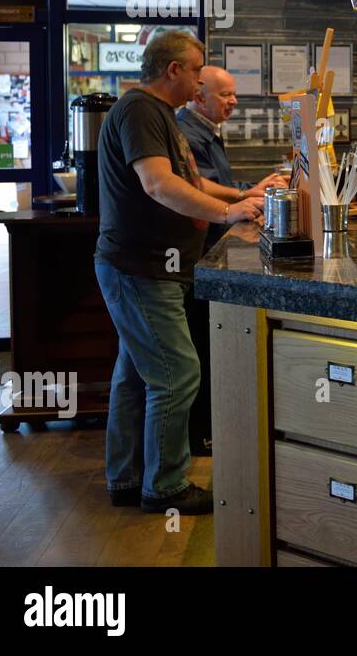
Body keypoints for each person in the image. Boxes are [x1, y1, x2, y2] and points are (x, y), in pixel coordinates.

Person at [94, 31, 265, 515]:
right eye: (195, 70)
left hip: (146, 266)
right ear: (173, 70)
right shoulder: (141, 110)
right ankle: (165, 487)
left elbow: (189, 179)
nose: (198, 80)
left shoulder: (157, 114)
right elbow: (158, 183)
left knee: (134, 376)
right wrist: (225, 214)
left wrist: (237, 198)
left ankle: (126, 478)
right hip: (140, 266)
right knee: (178, 375)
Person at [176, 66, 283, 456]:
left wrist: (245, 193)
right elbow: (194, 188)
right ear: (198, 95)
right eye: (225, 95)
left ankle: (204, 432)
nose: (234, 101)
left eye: (233, 94)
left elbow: (210, 183)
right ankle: (200, 436)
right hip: (193, 251)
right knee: (195, 349)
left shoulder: (204, 130)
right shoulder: (188, 132)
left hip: (202, 247)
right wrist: (239, 202)